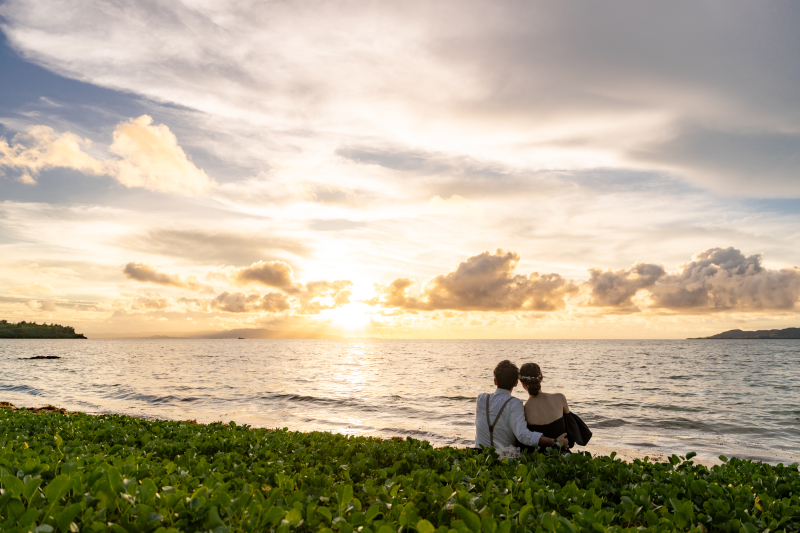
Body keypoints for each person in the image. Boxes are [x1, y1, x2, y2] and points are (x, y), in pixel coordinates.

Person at [475, 360, 569, 451]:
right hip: (503, 456)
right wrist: (554, 441)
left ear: (495, 381)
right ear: (516, 383)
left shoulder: (481, 399)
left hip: (480, 453)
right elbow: (522, 435)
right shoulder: (515, 404)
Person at [517, 362, 570, 453]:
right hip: (562, 455)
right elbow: (571, 429)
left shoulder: (523, 409)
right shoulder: (560, 398)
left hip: (539, 459)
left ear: (522, 383)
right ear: (541, 378)